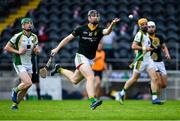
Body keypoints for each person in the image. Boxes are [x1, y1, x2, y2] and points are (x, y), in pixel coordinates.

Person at [50, 10, 119, 110]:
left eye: (97, 16)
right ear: (89, 18)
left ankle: (59, 69)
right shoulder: (81, 29)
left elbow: (107, 32)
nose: (95, 17)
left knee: (74, 80)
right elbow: (67, 39)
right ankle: (92, 101)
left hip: (90, 60)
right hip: (81, 57)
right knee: (90, 76)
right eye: (93, 16)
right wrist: (57, 48)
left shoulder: (99, 30)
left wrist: (112, 24)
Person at [116, 18, 163, 105]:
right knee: (134, 79)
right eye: (142, 24)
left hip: (148, 60)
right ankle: (122, 93)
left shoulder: (146, 34)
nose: (145, 25)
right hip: (141, 60)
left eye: (145, 24)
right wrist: (145, 48)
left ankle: (154, 98)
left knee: (155, 78)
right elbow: (133, 46)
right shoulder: (139, 34)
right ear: (140, 26)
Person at [4, 17, 40, 110]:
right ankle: (15, 90)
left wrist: (37, 51)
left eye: (30, 23)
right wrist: (18, 52)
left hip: (29, 63)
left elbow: (36, 49)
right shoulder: (18, 36)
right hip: (19, 62)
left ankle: (15, 105)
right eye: (27, 23)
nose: (29, 24)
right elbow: (7, 47)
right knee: (28, 82)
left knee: (27, 86)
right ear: (23, 25)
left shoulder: (34, 37)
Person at [147, 21, 171, 100]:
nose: (151, 28)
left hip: (160, 62)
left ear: (155, 27)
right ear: (147, 28)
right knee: (158, 82)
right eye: (149, 27)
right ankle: (155, 99)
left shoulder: (159, 36)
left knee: (164, 84)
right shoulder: (145, 37)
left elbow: (164, 47)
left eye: (152, 27)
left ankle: (150, 86)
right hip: (151, 62)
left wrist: (167, 54)